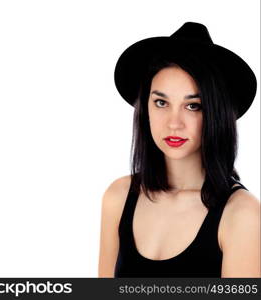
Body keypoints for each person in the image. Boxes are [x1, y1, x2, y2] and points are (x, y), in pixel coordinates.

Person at [98, 22, 260, 278]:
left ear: (215, 114)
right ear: (145, 109)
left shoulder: (242, 214)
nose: (174, 123)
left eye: (193, 106)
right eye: (161, 102)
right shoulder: (118, 197)